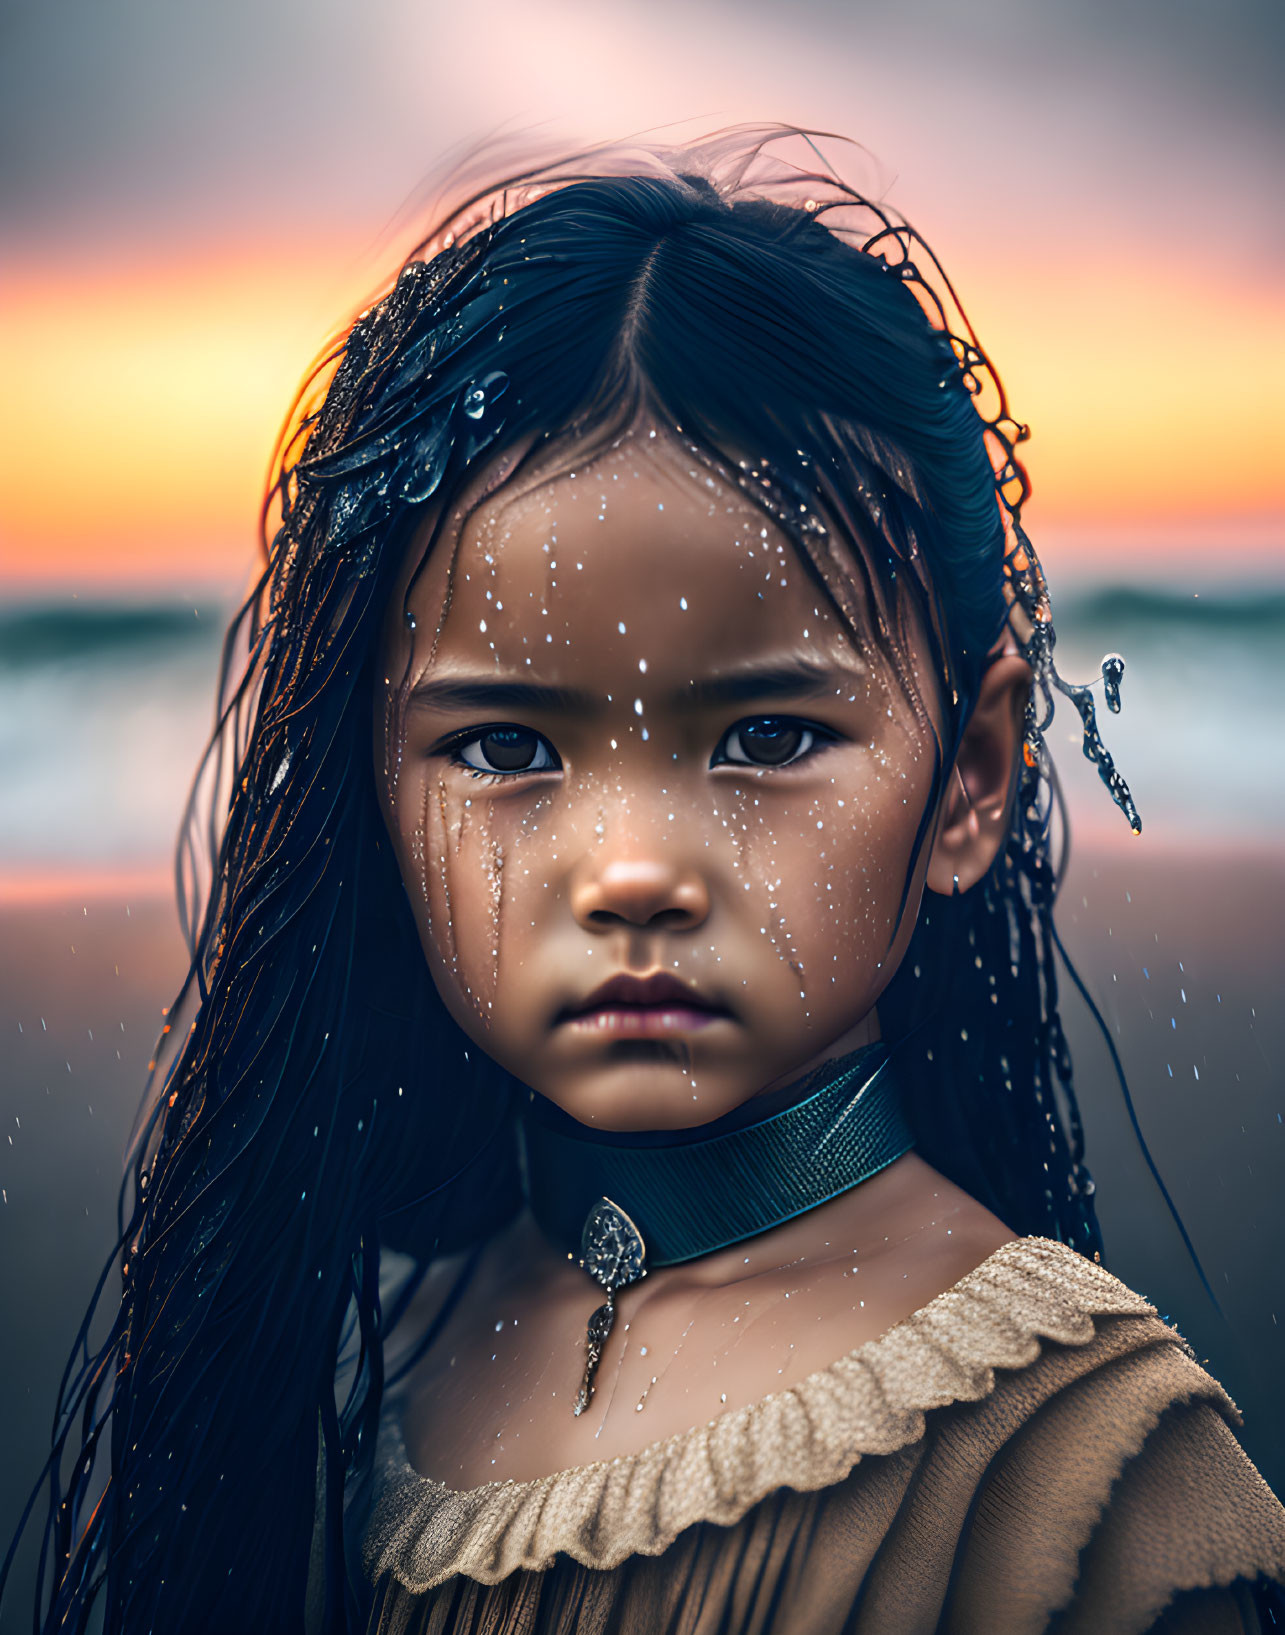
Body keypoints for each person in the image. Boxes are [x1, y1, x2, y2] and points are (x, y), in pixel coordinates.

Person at [4, 127, 1282, 1635]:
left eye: (763, 735)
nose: (629, 872)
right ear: (369, 793)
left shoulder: (1071, 1467)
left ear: (973, 776)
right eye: (500, 748)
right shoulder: (370, 1362)